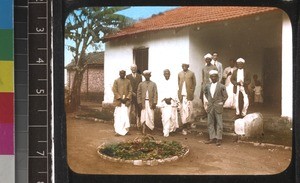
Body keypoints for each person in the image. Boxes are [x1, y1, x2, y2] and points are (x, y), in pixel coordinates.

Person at [204, 70, 228, 146]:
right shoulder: (207, 86)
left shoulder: (221, 86)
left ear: (217, 77)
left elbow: (225, 96)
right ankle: (212, 137)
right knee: (210, 122)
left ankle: (219, 139)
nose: (213, 78)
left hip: (218, 107)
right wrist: (210, 101)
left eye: (215, 76)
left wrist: (221, 103)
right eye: (212, 76)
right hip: (210, 106)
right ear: (210, 77)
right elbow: (206, 93)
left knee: (219, 123)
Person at [157, 69, 179, 137]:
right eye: (165, 73)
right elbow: (160, 92)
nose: (167, 75)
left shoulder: (173, 82)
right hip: (164, 102)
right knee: (165, 117)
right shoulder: (161, 82)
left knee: (172, 117)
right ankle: (165, 131)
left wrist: (170, 98)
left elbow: (175, 91)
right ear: (163, 74)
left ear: (170, 74)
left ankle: (171, 130)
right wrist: (165, 99)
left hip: (172, 102)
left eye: (168, 73)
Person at [137, 70, 158, 135]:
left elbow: (155, 94)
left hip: (150, 103)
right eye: (145, 75)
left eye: (148, 75)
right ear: (144, 76)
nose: (147, 76)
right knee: (143, 116)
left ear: (150, 76)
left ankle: (150, 129)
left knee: (151, 116)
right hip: (143, 103)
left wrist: (154, 102)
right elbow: (139, 93)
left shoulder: (153, 84)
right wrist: (139, 102)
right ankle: (143, 129)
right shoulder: (141, 84)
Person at [112, 70, 132, 136]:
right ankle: (118, 131)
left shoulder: (128, 81)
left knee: (126, 116)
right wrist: (120, 98)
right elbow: (114, 90)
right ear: (119, 74)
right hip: (119, 102)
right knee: (118, 116)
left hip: (126, 102)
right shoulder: (116, 81)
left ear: (125, 74)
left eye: (123, 73)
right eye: (121, 73)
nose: (122, 74)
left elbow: (130, 91)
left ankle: (126, 130)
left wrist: (126, 98)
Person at [178, 62, 196, 134]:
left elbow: (194, 83)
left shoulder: (191, 73)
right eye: (183, 66)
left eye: (186, 66)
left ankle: (188, 125)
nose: (184, 67)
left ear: (188, 66)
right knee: (183, 111)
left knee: (189, 110)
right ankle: (184, 125)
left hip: (189, 96)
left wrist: (191, 91)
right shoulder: (179, 74)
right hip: (182, 96)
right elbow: (178, 83)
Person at [126, 64, 143, 128]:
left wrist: (138, 94)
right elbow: (127, 86)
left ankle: (138, 125)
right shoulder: (128, 76)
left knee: (138, 111)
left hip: (137, 96)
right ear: (131, 69)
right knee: (129, 111)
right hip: (130, 96)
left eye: (135, 68)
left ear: (136, 69)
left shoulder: (140, 76)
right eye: (132, 68)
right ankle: (128, 125)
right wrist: (132, 93)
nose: (134, 69)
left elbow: (140, 85)